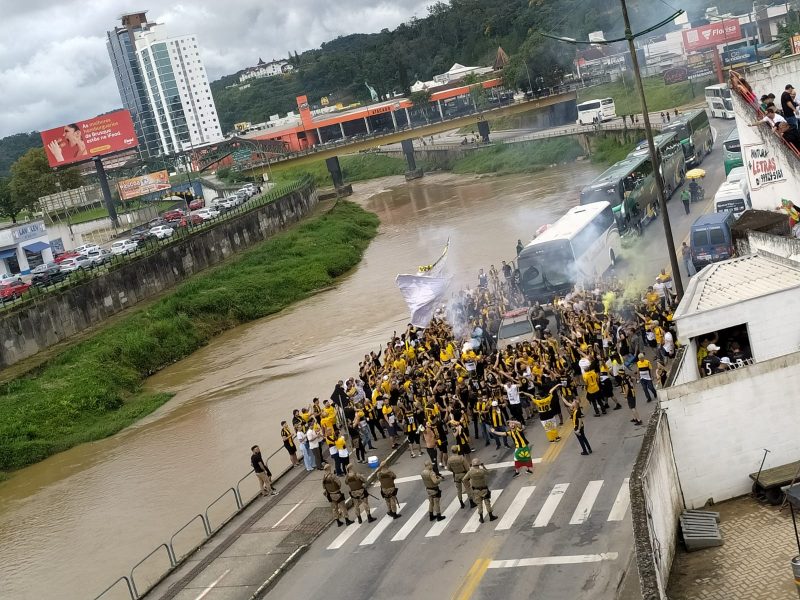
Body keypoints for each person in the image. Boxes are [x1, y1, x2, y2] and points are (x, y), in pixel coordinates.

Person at [463, 459, 498, 523]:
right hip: (484, 489)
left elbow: (464, 479)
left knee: (479, 504)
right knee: (487, 503)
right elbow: (489, 473)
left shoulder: (470, 472)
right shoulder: (482, 471)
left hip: (476, 490)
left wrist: (468, 485)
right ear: (479, 464)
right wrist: (483, 466)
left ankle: (481, 518)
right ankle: (491, 516)